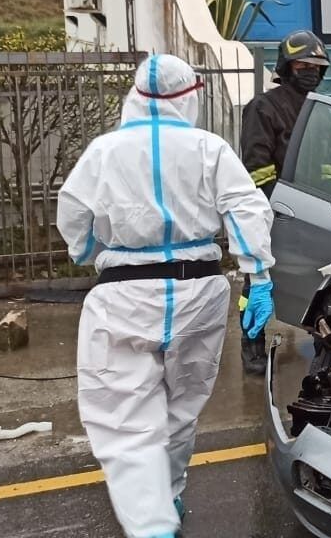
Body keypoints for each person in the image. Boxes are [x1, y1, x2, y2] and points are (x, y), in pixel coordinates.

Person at [57, 54, 275, 538]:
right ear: (189, 96)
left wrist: (88, 247)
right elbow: (246, 209)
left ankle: (152, 524)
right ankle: (169, 495)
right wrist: (258, 277)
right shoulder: (209, 148)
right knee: (181, 407)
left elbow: (74, 218)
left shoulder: (104, 151)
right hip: (199, 291)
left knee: (125, 415)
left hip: (125, 295)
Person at [233, 30, 331, 375]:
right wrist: (279, 205)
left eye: (317, 66)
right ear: (287, 67)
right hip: (271, 210)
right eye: (303, 64)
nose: (311, 71)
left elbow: (328, 163)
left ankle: (324, 342)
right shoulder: (264, 107)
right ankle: (252, 344)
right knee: (257, 284)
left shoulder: (322, 110)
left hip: (314, 211)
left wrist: (329, 199)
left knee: (321, 281)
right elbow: (256, 165)